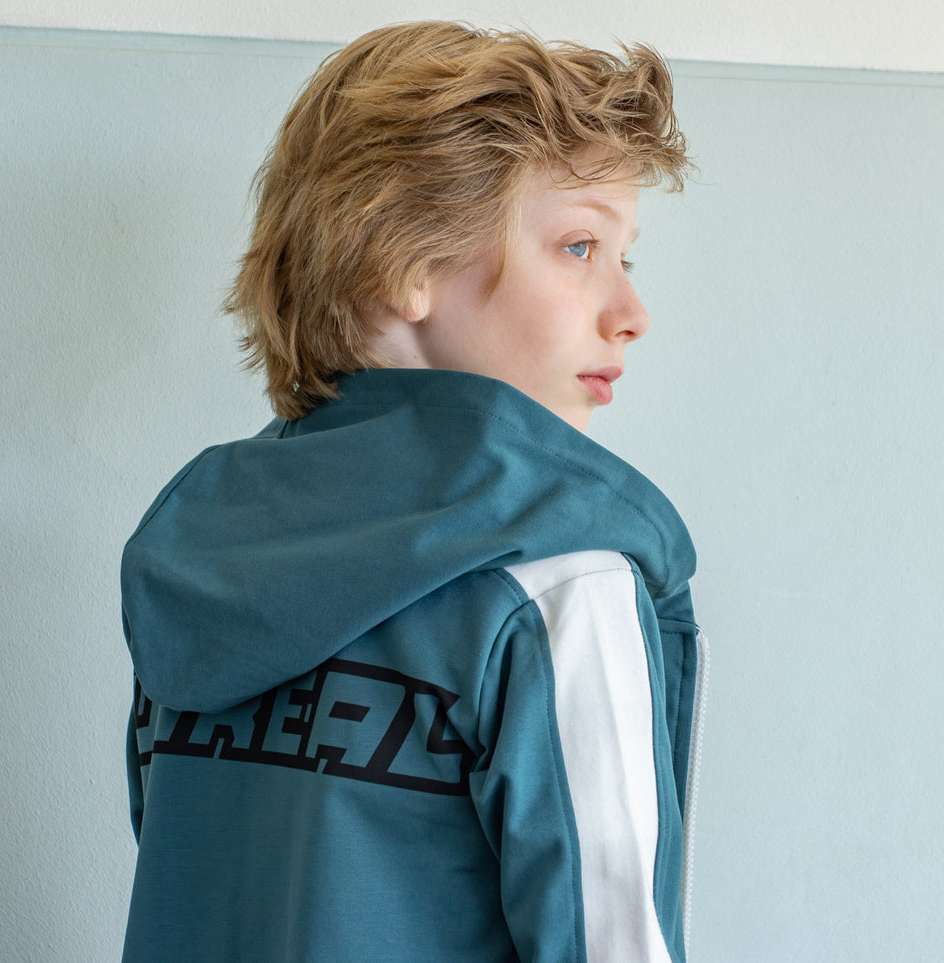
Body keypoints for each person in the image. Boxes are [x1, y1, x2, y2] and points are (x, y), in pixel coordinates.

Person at [120, 20, 707, 962]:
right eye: (578, 246)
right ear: (406, 261)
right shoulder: (563, 584)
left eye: (623, 257)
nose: (630, 313)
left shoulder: (200, 561)